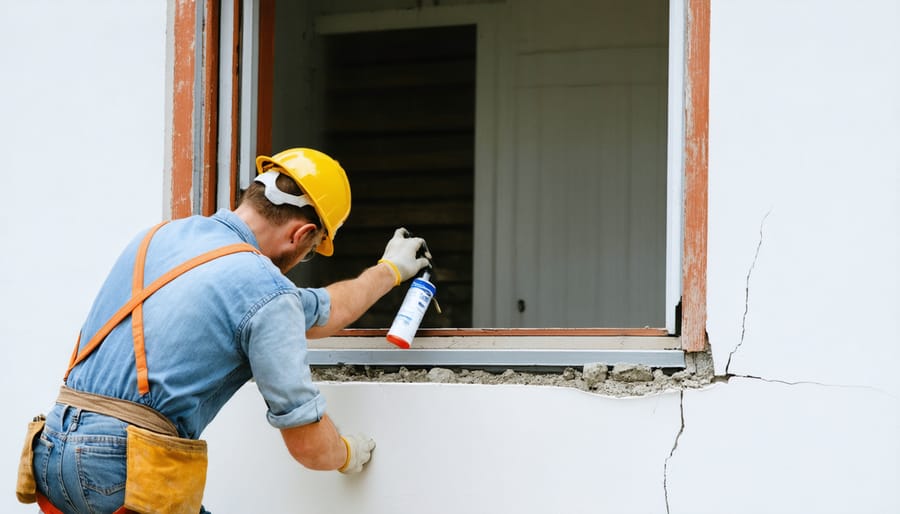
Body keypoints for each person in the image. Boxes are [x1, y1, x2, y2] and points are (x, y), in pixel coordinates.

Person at [19, 148, 431, 513]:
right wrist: (345, 453)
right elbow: (307, 444)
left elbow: (322, 310)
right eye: (309, 252)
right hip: (119, 470)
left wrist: (390, 271)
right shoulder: (265, 291)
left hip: (52, 451)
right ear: (303, 234)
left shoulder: (160, 236)